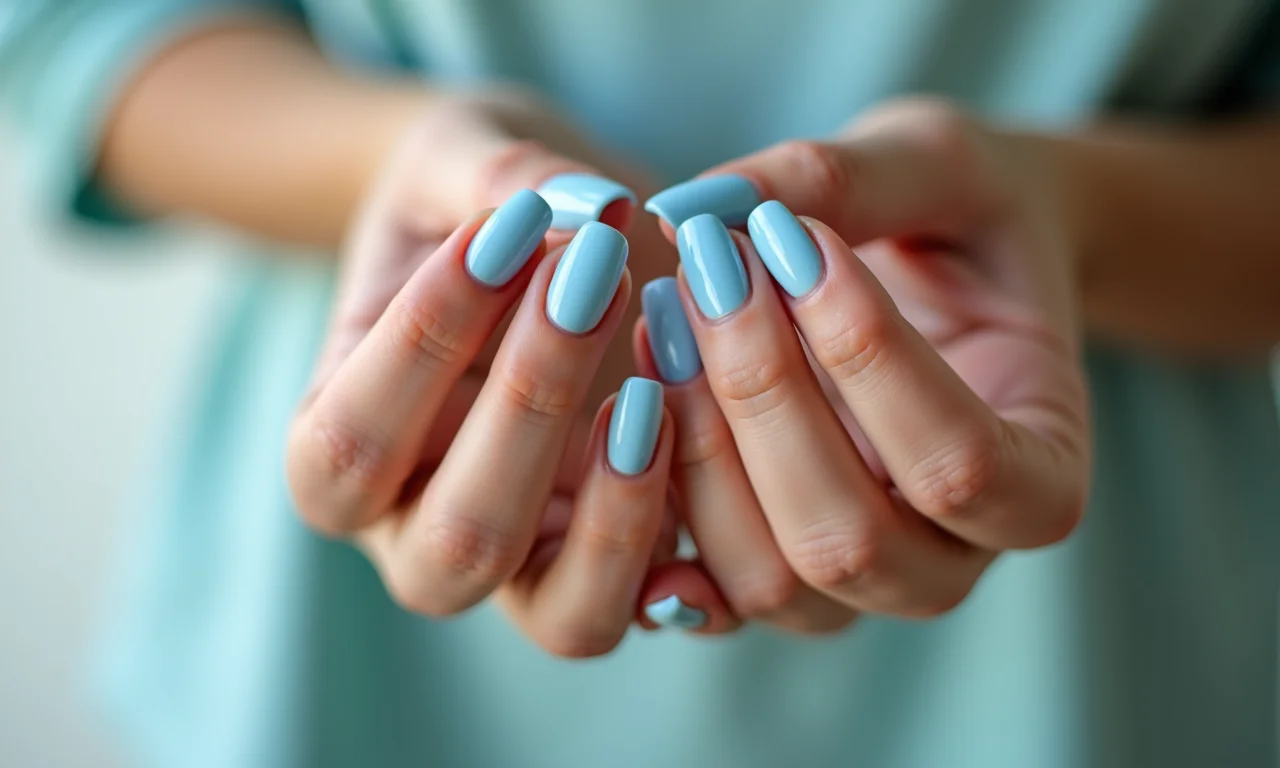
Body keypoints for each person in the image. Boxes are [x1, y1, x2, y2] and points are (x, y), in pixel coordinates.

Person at [3, 1, 1278, 766]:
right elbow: (78, 28)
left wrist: (1073, 212)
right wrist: (392, 162)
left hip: (1096, 651)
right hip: (373, 605)